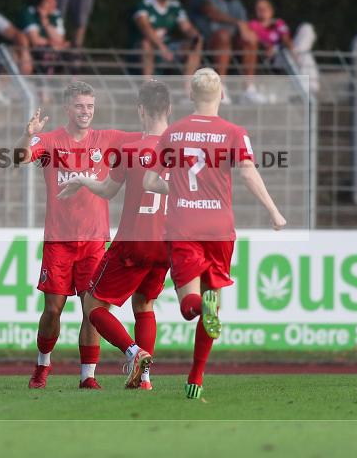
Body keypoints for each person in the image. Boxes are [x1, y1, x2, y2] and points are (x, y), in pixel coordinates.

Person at [143, 68, 286, 399]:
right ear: (221, 94)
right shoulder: (234, 132)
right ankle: (196, 376)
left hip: (184, 225)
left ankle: (198, 306)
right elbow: (248, 174)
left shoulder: (174, 133)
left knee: (188, 305)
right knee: (214, 306)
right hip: (219, 228)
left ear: (190, 95)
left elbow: (150, 181)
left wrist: (177, 190)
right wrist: (273, 211)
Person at [16, 81, 141, 389]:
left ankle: (88, 376)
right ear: (67, 108)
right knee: (53, 310)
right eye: (79, 106)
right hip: (59, 241)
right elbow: (20, 157)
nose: (86, 112)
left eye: (90, 106)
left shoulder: (107, 139)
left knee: (92, 309)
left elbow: (147, 138)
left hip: (95, 242)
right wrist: (28, 134)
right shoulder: (49, 140)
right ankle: (43, 364)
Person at [56, 80, 173, 390]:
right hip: (166, 244)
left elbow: (108, 190)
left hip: (133, 242)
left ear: (141, 110)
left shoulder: (131, 149)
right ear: (169, 109)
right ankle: (144, 380)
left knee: (92, 305)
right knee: (144, 305)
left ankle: (134, 353)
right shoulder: (182, 149)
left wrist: (82, 179)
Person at [188, 0, 263, 104]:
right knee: (223, 35)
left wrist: (248, 32)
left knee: (251, 39)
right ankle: (220, 87)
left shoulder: (235, 2)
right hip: (206, 43)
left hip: (231, 46)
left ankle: (249, 89)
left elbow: (244, 25)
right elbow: (211, 12)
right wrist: (237, 22)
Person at [130, 0, 202, 77]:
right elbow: (145, 28)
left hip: (168, 47)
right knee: (146, 44)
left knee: (194, 44)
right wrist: (161, 47)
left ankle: (188, 84)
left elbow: (186, 27)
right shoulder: (144, 5)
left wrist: (196, 37)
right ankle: (147, 84)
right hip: (142, 50)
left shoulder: (175, 5)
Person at [249, 0, 320, 95]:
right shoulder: (253, 25)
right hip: (273, 57)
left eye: (265, 8)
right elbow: (257, 43)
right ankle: (311, 87)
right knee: (304, 54)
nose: (263, 11)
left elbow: (286, 38)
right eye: (259, 8)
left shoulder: (278, 22)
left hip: (285, 50)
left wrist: (291, 49)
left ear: (271, 10)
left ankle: (307, 86)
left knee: (307, 28)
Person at [19, 0, 70, 75]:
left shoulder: (56, 14)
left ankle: (74, 81)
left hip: (53, 50)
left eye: (54, 0)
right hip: (32, 51)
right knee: (47, 54)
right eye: (48, 1)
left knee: (73, 54)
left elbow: (60, 39)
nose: (53, 4)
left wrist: (45, 22)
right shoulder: (28, 13)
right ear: (39, 3)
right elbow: (35, 40)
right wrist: (53, 43)